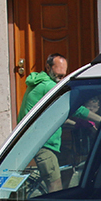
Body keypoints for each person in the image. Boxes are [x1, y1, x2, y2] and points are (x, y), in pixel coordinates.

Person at [18, 53, 68, 192]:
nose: (62, 80)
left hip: (33, 139)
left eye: (64, 76)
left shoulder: (38, 82)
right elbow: (72, 107)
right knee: (55, 185)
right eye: (59, 76)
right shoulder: (49, 86)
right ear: (48, 67)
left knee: (66, 167)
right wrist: (99, 119)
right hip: (42, 143)